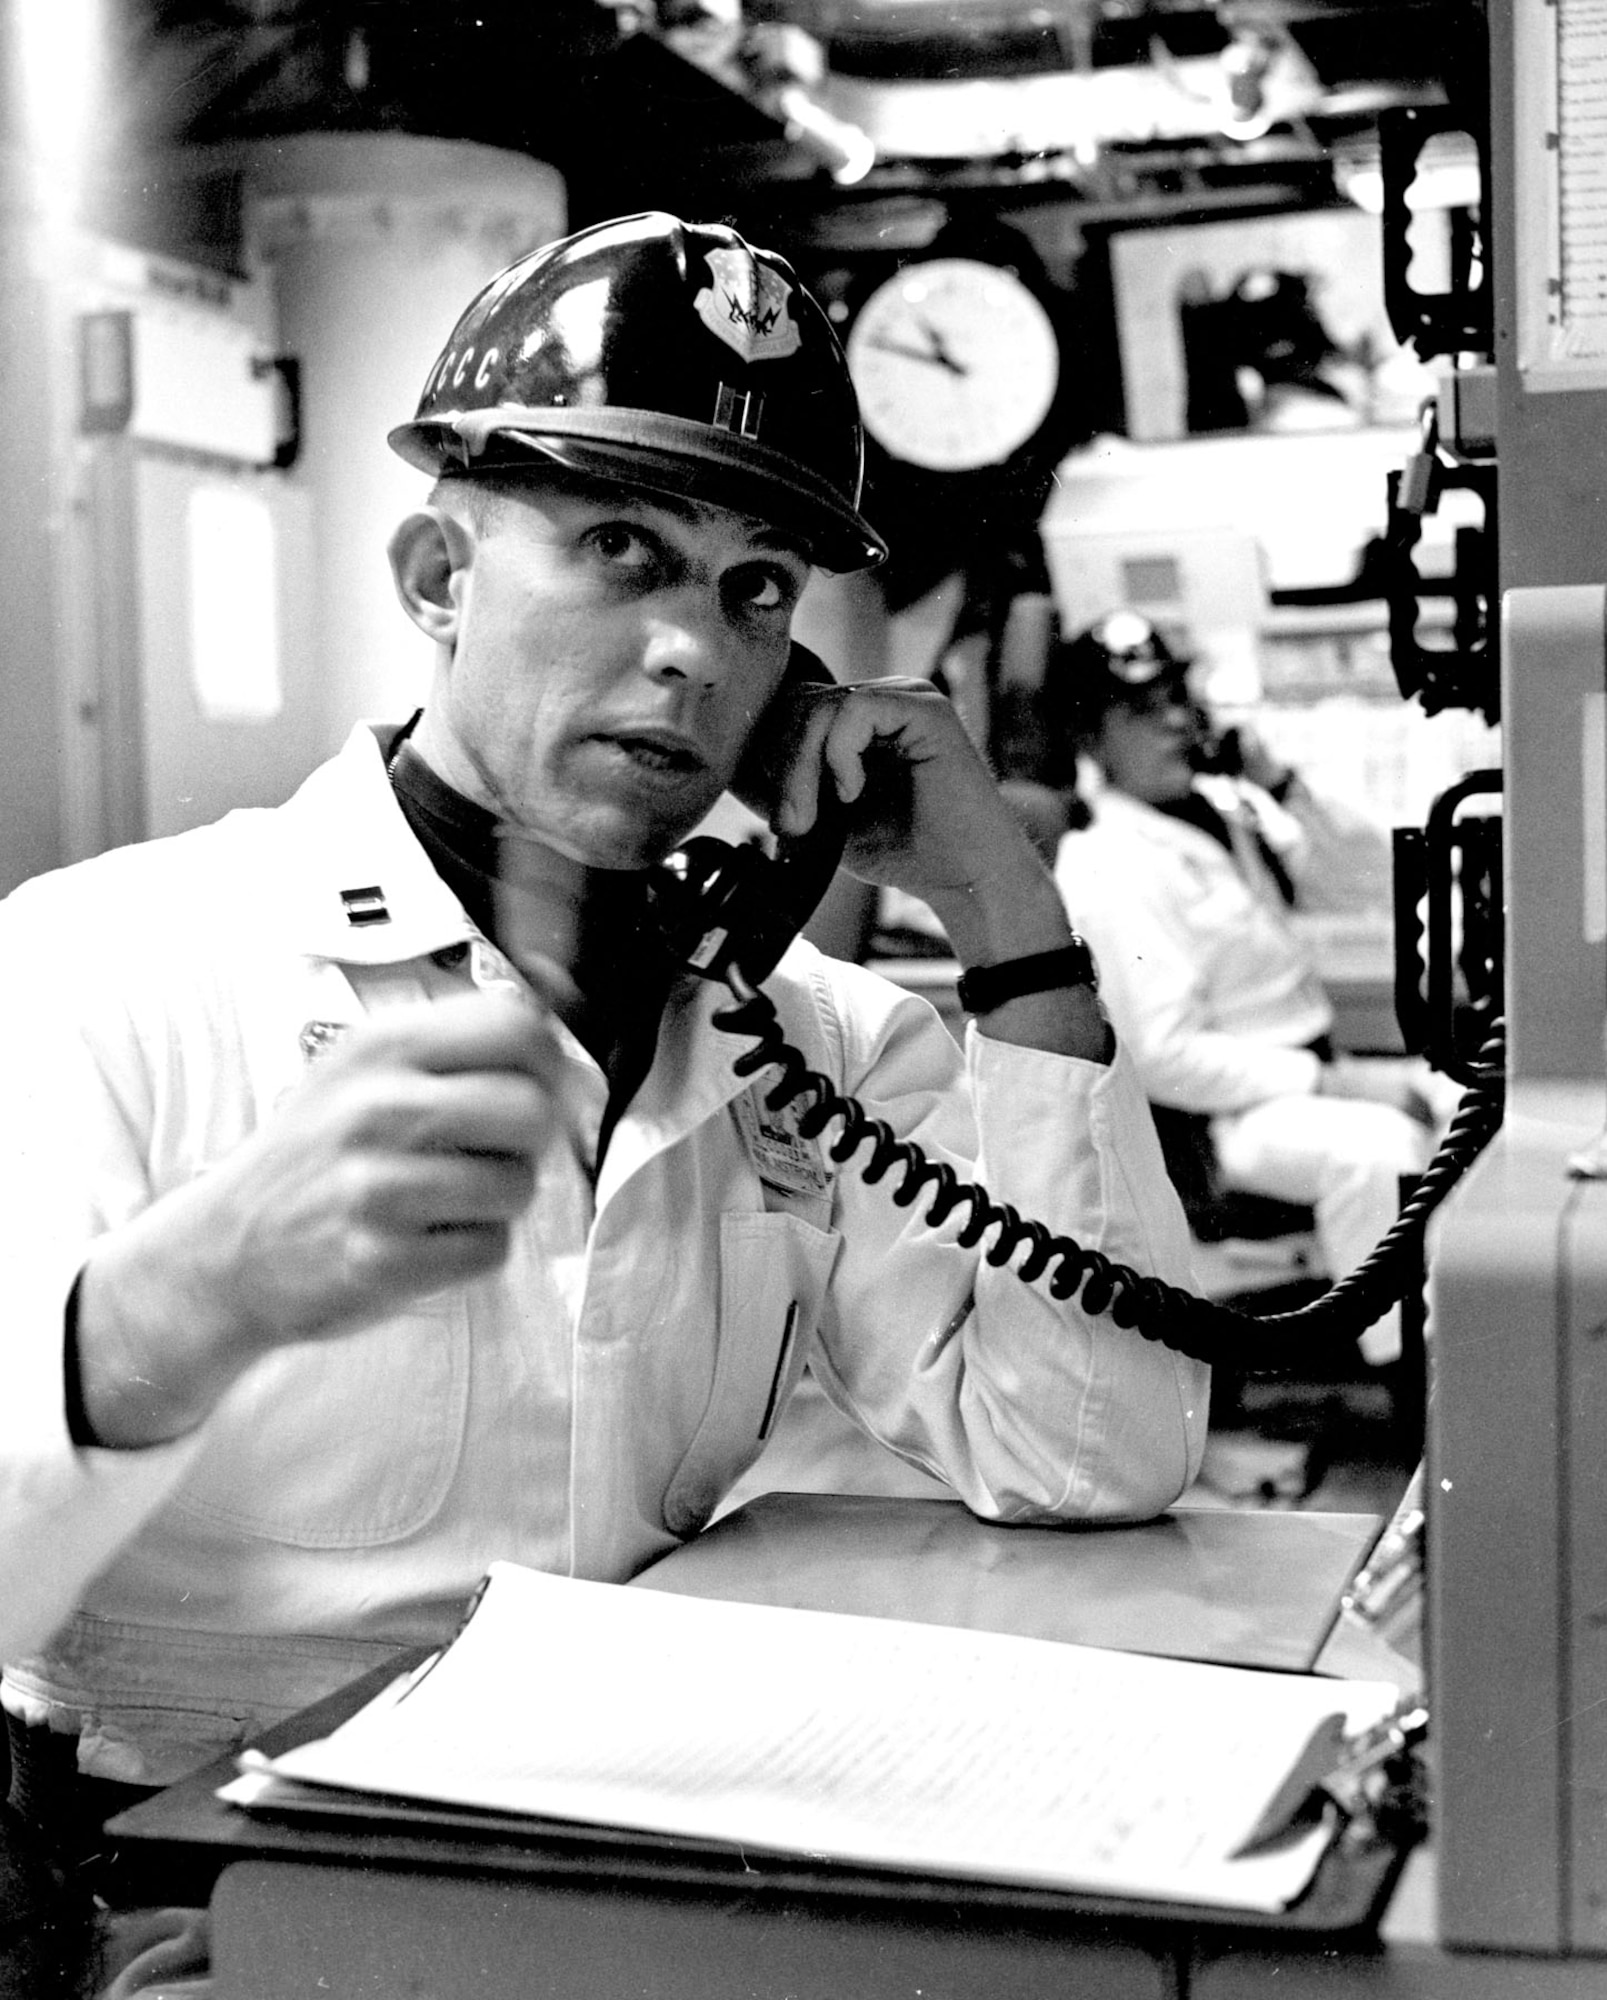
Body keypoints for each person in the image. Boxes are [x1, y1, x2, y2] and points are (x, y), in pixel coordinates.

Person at [0, 215, 1206, 1991]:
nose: (692, 656)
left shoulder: (822, 1035)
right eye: (619, 549)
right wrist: (187, 1302)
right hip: (192, 1891)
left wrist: (1011, 930)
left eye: (752, 594)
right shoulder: (115, 964)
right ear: (433, 574)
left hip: (616, 1875)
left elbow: (1086, 1457)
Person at [1045, 611, 1437, 1369]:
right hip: (1224, 1124)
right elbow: (1162, 1057)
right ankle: (1417, 1382)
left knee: (1474, 1110)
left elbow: (1370, 876)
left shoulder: (1226, 816)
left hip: (1303, 1081)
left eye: (1176, 699)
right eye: (1140, 710)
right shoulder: (1109, 865)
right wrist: (1336, 1079)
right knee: (1379, 1148)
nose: (1173, 722)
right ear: (1090, 738)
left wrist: (1278, 782)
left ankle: (1472, 1335)